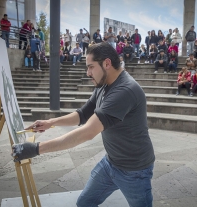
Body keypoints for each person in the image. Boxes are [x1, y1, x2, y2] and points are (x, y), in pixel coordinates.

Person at [12, 42, 155, 207]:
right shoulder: (104, 84)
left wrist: (36, 148)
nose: (88, 73)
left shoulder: (124, 91)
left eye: (90, 67)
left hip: (135, 171)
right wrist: (50, 122)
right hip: (111, 163)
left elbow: (87, 132)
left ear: (107, 64)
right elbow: (83, 114)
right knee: (85, 203)